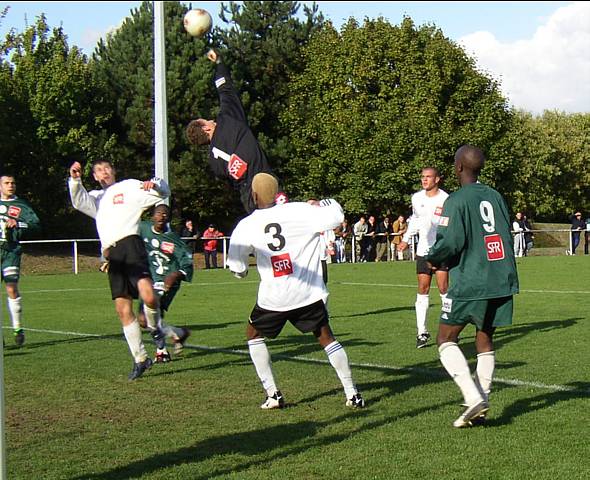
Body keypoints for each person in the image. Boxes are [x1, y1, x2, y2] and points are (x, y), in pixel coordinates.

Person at [227, 173, 365, 410]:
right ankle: (352, 393)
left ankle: (273, 394)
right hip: (306, 293)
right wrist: (322, 202)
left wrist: (243, 270)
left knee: (253, 334)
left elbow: (237, 266)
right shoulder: (300, 211)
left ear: (254, 194)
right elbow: (336, 216)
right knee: (326, 338)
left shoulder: (247, 224)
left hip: (274, 298)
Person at [425, 145, 519, 428]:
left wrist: (433, 258)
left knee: (445, 338)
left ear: (458, 168)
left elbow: (451, 242)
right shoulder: (495, 195)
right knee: (484, 337)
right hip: (501, 278)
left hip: (472, 280)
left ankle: (472, 395)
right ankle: (482, 399)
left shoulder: (456, 200)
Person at [68, 160, 169, 380]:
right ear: (94, 176)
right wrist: (75, 180)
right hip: (112, 254)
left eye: (106, 168)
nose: (103, 172)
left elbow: (161, 193)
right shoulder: (96, 198)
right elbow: (78, 201)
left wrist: (156, 185)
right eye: (98, 171)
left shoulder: (128, 186)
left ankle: (154, 326)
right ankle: (141, 359)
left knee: (149, 297)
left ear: (114, 171)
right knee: (123, 309)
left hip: (131, 246)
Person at [185, 49, 274, 214]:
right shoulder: (228, 120)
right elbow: (225, 89)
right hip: (268, 187)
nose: (211, 119)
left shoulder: (214, 163)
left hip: (249, 199)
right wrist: (219, 63)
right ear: (205, 127)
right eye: (206, 120)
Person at [397, 167, 449, 348]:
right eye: (423, 177)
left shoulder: (446, 199)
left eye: (428, 177)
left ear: (437, 179)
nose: (424, 180)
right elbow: (415, 220)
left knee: (444, 288)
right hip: (423, 250)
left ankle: (447, 330)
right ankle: (422, 332)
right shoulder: (416, 198)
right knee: (423, 288)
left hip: (441, 250)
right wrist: (405, 239)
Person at [137, 204, 193, 362]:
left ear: (168, 219)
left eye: (165, 215)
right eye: (159, 213)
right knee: (143, 320)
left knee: (150, 314)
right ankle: (179, 333)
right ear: (152, 216)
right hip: (151, 280)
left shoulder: (173, 239)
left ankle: (161, 351)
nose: (161, 217)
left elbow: (187, 261)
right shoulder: (144, 228)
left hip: (168, 283)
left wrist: (175, 274)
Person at [0, 174, 41, 346]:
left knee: (11, 288)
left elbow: (36, 225)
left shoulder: (21, 205)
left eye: (13, 183)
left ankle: (18, 328)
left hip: (10, 251)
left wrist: (17, 224)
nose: (10, 185)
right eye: (7, 183)